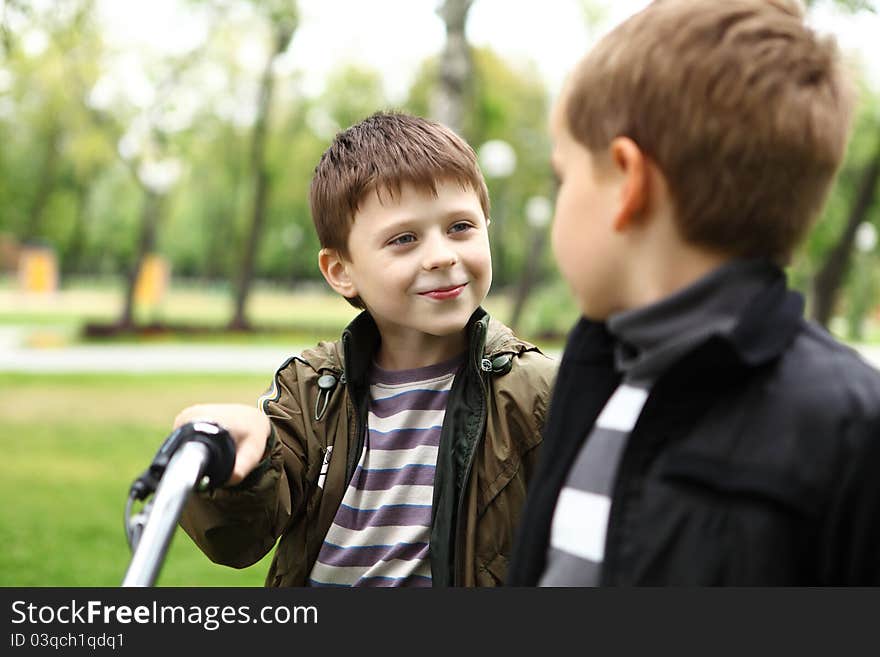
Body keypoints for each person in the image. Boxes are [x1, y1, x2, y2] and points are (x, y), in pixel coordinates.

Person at [507, 0, 880, 586]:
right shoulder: (597, 369)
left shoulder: (850, 427)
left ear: (627, 183)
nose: (559, 203)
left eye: (564, 176)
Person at [173, 111, 557, 587]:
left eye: (460, 227)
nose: (441, 255)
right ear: (341, 270)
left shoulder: (534, 392)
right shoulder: (312, 391)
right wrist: (237, 469)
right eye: (404, 238)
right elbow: (238, 540)